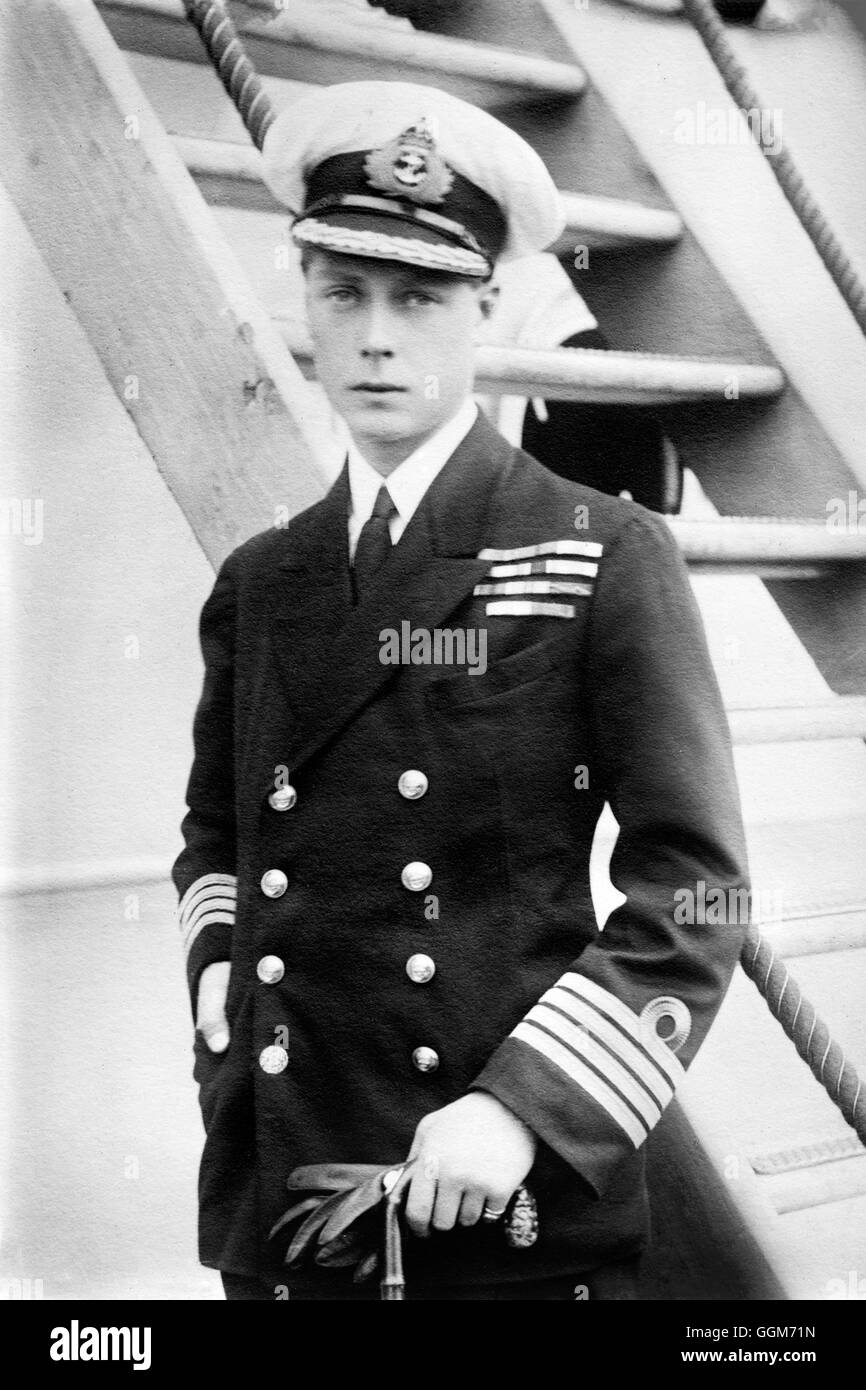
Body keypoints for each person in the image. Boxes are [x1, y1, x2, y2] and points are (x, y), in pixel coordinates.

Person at [173, 79, 750, 1301]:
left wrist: (525, 1109)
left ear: (482, 308)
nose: (378, 336)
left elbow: (693, 888)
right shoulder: (261, 581)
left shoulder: (595, 553)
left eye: (420, 296)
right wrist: (221, 964)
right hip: (283, 1180)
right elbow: (216, 834)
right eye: (346, 292)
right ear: (310, 305)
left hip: (489, 1198)